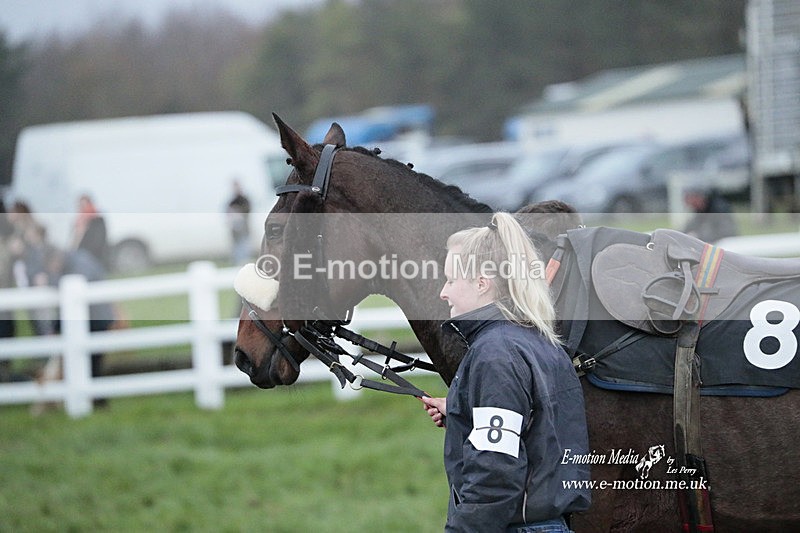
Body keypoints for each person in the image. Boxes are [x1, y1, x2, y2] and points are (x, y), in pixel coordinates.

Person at [421, 212, 591, 533]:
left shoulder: (495, 353)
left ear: (482, 283)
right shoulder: (540, 341)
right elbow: (535, 429)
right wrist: (460, 410)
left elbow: (495, 471)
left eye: (451, 280)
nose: (443, 292)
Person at [71, 194, 109, 268]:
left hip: (93, 256)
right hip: (80, 255)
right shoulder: (78, 221)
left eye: (85, 205)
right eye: (81, 206)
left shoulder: (97, 221)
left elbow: (98, 241)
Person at [226, 180, 251, 265]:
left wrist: (239, 212)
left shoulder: (244, 200)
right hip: (235, 230)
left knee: (244, 246)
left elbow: (247, 210)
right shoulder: (232, 201)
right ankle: (238, 262)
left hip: (243, 228)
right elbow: (228, 213)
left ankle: (244, 262)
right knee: (237, 247)